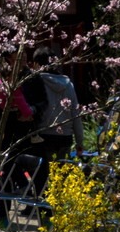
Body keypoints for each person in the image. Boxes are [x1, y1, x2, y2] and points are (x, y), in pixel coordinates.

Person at [29, 47, 85, 194]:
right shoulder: (68, 84)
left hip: (43, 135)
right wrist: (80, 141)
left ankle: (41, 210)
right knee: (59, 178)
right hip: (65, 137)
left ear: (36, 63)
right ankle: (57, 210)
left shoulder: (36, 81)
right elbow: (75, 113)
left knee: (41, 177)